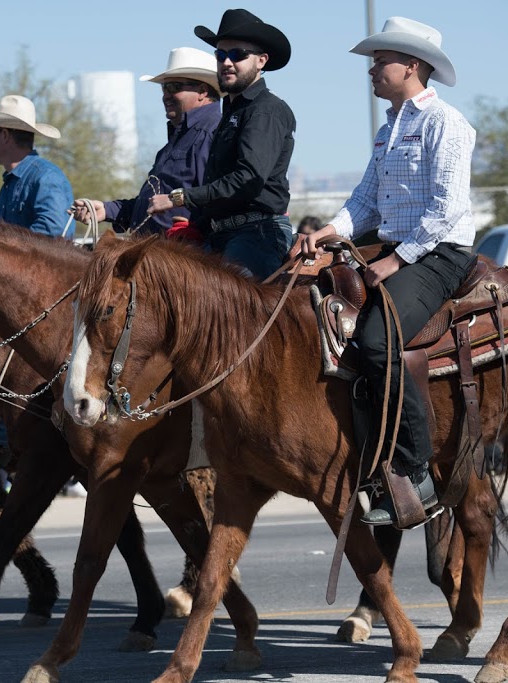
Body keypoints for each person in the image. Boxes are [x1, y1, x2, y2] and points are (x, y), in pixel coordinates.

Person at [300, 17, 478, 527]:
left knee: (378, 340)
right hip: (396, 247)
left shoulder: (446, 123)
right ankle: (364, 455)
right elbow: (366, 201)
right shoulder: (388, 129)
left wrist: (395, 261)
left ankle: (414, 467)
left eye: (381, 61)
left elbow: (448, 207)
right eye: (373, 62)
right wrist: (329, 232)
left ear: (413, 67)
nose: (372, 70)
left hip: (439, 252)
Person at [148, 9, 296, 280]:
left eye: (238, 54)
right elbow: (224, 183)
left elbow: (248, 178)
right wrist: (198, 224)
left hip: (257, 235)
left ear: (261, 61)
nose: (227, 62)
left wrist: (181, 197)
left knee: (233, 314)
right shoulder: (232, 111)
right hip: (221, 234)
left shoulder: (265, 110)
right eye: (220, 55)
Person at [69, 47, 222, 236]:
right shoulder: (180, 139)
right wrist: (107, 210)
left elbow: (220, 197)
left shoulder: (212, 133)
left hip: (181, 257)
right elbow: (153, 204)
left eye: (173, 87)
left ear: (202, 91)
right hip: (159, 254)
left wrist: (196, 230)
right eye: (164, 88)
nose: (165, 95)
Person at [0, 95, 74, 238]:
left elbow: (53, 230)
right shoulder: (14, 181)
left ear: (4, 135)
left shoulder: (46, 176)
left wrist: (4, 248)